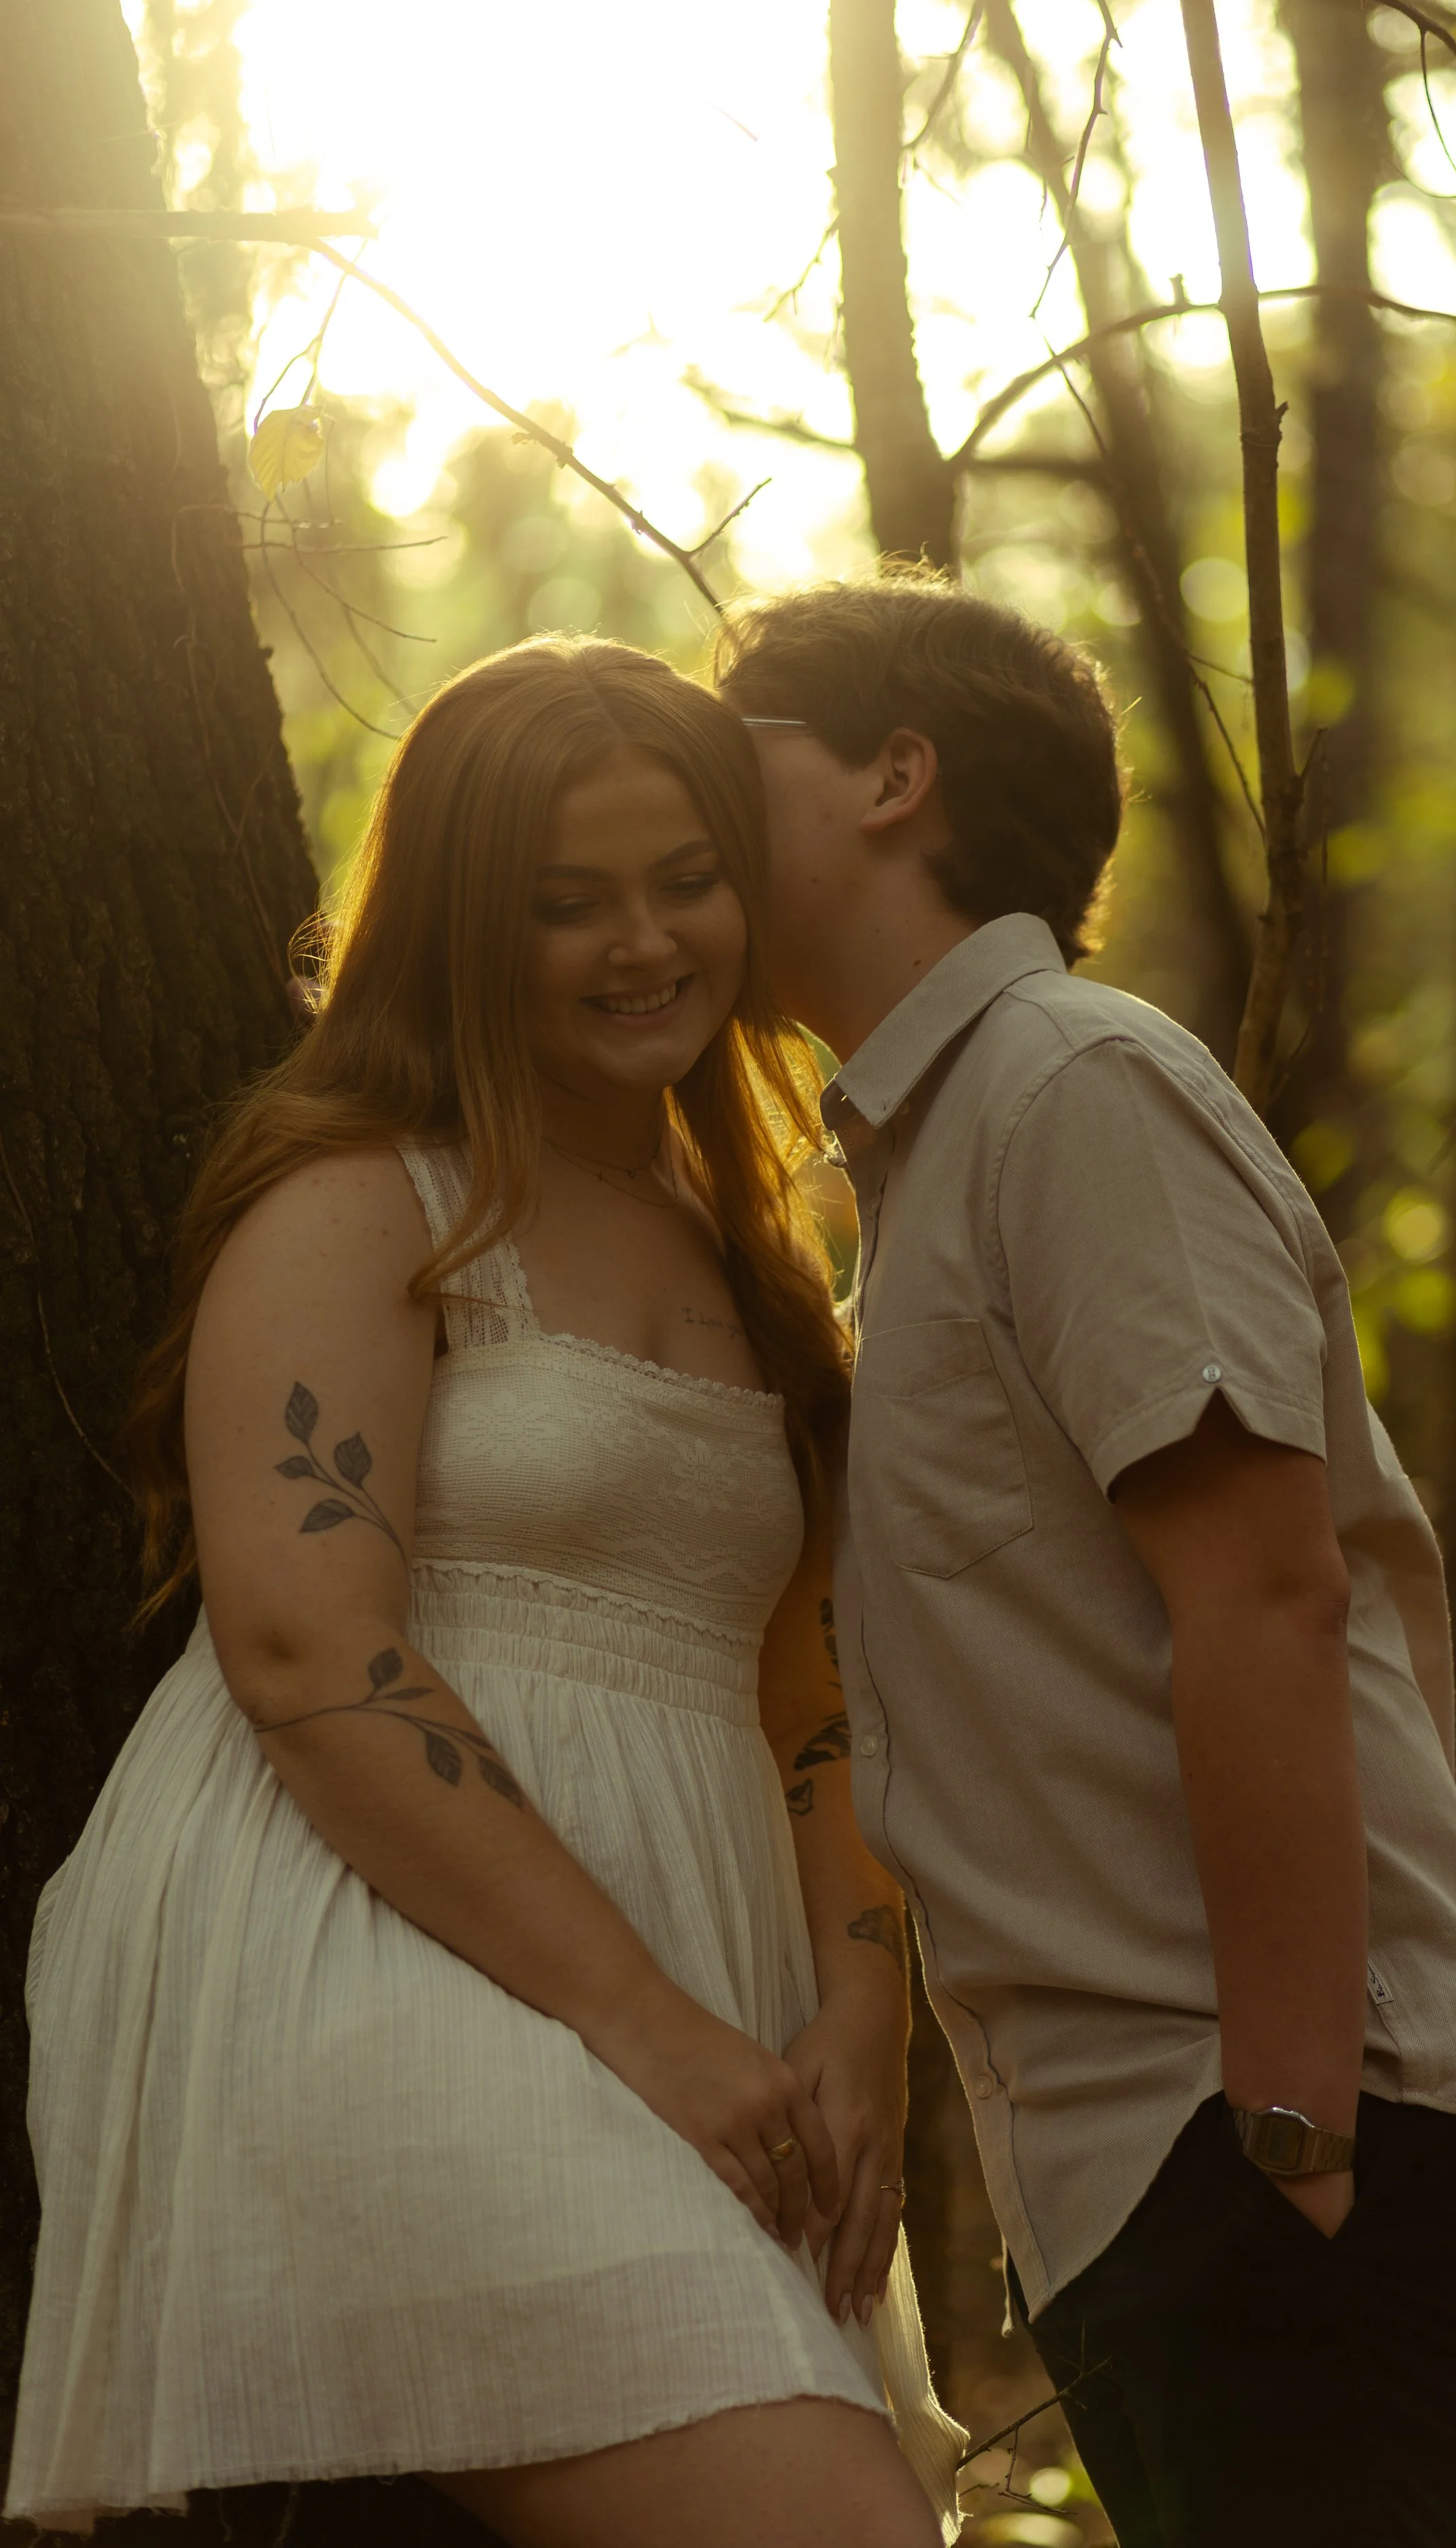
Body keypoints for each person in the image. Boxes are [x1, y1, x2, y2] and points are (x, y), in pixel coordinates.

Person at [5, 639, 962, 2547]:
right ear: (456, 920)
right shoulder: (362, 1192)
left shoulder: (752, 1253)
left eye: (685, 878)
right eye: (563, 902)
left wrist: (861, 2019)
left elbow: (816, 1688)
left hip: (698, 1988)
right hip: (378, 1955)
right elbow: (304, 1644)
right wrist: (650, 2027)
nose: (643, 942)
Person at [716, 573, 1456, 2548]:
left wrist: (1287, 2123)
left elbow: (1264, 1593)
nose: (685, 782)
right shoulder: (934, 1151)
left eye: (732, 730)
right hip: (1158, 2166)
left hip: (1276, 2134)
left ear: (892, 773)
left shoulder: (1068, 1084)